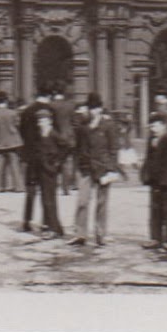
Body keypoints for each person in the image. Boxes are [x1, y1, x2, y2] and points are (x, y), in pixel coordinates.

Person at [71, 95, 120, 247]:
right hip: (86, 168)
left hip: (104, 168)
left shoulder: (108, 125)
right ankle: (80, 234)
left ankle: (101, 235)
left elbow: (114, 148)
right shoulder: (83, 126)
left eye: (95, 108)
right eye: (90, 108)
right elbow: (78, 147)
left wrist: (112, 168)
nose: (93, 111)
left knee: (102, 203)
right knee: (82, 201)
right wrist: (79, 164)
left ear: (100, 109)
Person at [23, 104, 65, 239]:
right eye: (39, 120)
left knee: (49, 200)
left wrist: (57, 162)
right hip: (41, 170)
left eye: (42, 120)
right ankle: (56, 227)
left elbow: (67, 146)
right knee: (46, 199)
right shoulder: (41, 134)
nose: (39, 123)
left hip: (50, 171)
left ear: (49, 121)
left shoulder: (53, 134)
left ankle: (53, 229)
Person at [140, 115, 167, 252]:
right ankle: (155, 238)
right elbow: (148, 158)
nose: (153, 129)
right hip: (155, 180)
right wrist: (145, 173)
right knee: (155, 210)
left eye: (156, 126)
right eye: (151, 126)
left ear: (163, 126)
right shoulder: (152, 140)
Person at [0, 92, 23, 193]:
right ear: (6, 100)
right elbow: (17, 124)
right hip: (13, 141)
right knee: (14, 164)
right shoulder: (12, 113)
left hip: (0, 141)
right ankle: (18, 186)